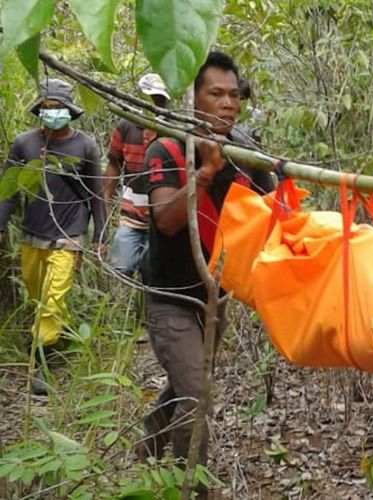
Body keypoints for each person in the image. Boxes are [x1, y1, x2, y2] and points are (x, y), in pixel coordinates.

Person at [138, 52, 274, 487]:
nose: (227, 104)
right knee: (197, 396)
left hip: (215, 296)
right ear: (193, 98)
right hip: (170, 297)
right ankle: (193, 488)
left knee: (188, 384)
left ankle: (148, 441)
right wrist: (204, 174)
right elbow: (166, 219)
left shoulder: (246, 152)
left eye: (234, 95)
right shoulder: (167, 148)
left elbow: (270, 213)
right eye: (215, 93)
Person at [0, 78, 106, 396]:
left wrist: (99, 235)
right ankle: (59, 336)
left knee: (52, 299)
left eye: (58, 107)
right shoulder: (24, 144)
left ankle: (40, 365)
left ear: (69, 110)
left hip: (69, 235)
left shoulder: (85, 146)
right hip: (32, 235)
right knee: (38, 297)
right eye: (47, 107)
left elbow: (96, 196)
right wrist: (1, 226)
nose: (52, 112)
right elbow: (7, 190)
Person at [103, 73, 170, 279]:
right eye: (150, 98)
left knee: (156, 277)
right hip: (131, 217)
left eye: (159, 100)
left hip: (163, 220)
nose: (154, 104)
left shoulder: (173, 131)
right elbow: (114, 164)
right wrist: (103, 204)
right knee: (121, 269)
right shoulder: (126, 127)